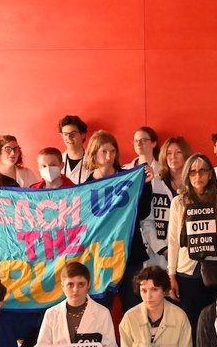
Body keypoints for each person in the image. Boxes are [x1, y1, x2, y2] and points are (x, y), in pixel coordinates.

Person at [86, 129, 154, 311]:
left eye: (112, 151)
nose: (109, 156)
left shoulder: (128, 177)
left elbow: (142, 212)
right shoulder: (86, 185)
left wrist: (146, 185)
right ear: (94, 153)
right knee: (99, 309)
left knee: (134, 308)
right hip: (100, 257)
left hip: (129, 253)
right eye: (104, 151)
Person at [168, 153, 217, 325]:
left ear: (210, 174)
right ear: (187, 175)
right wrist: (171, 275)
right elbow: (173, 241)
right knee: (189, 325)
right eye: (192, 172)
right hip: (186, 273)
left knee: (215, 325)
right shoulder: (179, 202)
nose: (197, 176)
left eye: (202, 171)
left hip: (216, 272)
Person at [36, 262, 119, 347]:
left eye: (81, 284)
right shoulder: (51, 314)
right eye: (70, 284)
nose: (75, 290)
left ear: (88, 285)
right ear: (62, 286)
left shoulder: (102, 313)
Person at [140, 137, 191, 273]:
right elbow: (147, 221)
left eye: (178, 152)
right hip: (160, 256)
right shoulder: (155, 183)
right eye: (169, 153)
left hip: (189, 257)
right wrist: (164, 249)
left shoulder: (194, 185)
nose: (173, 157)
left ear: (186, 155)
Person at [58, 114, 91, 184]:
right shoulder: (57, 161)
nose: (69, 138)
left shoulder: (94, 160)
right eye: (65, 134)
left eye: (73, 134)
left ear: (83, 134)